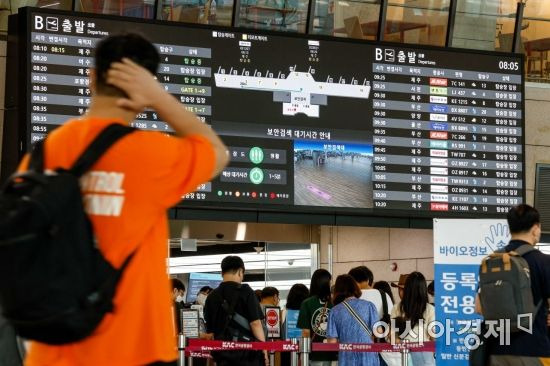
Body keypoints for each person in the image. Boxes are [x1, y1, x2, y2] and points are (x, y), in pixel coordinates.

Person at [20, 33, 228, 366]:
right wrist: (160, 98)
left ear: (91, 78)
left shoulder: (45, 153)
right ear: (142, 93)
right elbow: (217, 153)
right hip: (136, 348)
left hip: (55, 348)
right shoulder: (151, 154)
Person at [478, 204, 550, 364]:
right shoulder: (544, 262)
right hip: (534, 350)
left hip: (496, 351)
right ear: (536, 228)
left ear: (510, 228)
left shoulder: (492, 261)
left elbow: (478, 307)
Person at [204, 256, 267, 366]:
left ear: (222, 273)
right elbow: (256, 323)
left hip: (222, 354)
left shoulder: (211, 296)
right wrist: (264, 350)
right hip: (246, 354)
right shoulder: (246, 291)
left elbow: (210, 332)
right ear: (240, 271)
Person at [326, 275, 380, 366]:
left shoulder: (334, 311)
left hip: (347, 357)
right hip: (368, 355)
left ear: (337, 291)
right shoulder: (369, 306)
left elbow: (332, 342)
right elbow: (379, 331)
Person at [390, 272, 435, 366]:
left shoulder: (396, 308)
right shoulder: (430, 309)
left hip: (402, 356)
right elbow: (434, 337)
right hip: (424, 356)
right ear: (423, 289)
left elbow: (393, 337)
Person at [297, 269, 338, 365]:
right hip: (333, 352)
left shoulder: (306, 303)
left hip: (314, 353)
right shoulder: (334, 303)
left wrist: (304, 352)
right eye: (330, 281)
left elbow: (305, 332)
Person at [281, 284, 309, 366]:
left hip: (287, 350)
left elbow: (282, 334)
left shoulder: (284, 312)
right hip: (304, 349)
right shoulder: (308, 312)